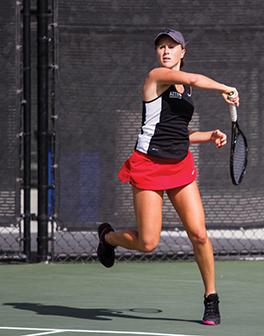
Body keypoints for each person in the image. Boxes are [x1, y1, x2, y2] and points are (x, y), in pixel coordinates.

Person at [96, 28, 239, 326]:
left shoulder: (184, 91)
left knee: (199, 233)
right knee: (148, 243)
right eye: (161, 46)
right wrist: (224, 87)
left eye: (172, 47)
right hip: (148, 165)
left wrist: (208, 135)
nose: (165, 51)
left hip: (179, 165)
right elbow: (196, 79)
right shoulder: (157, 76)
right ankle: (108, 237)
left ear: (183, 52)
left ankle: (211, 298)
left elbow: (177, 133)